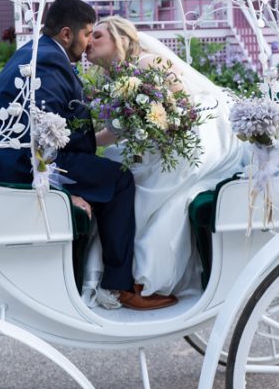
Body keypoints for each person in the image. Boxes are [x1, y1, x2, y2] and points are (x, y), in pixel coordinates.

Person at [0, 0, 176, 311]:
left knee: (110, 170)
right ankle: (116, 288)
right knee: (120, 180)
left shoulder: (41, 53)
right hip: (18, 163)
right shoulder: (49, 61)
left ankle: (114, 276)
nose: (87, 43)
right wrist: (61, 190)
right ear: (67, 34)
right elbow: (39, 138)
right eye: (86, 34)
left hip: (19, 153)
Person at [83, 16, 246, 301]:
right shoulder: (117, 75)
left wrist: (153, 130)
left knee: (148, 188)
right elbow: (117, 128)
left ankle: (143, 277)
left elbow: (182, 108)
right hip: (158, 142)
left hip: (192, 138)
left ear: (120, 38)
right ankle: (125, 274)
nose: (88, 43)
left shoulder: (148, 63)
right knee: (116, 165)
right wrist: (81, 145)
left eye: (97, 36)